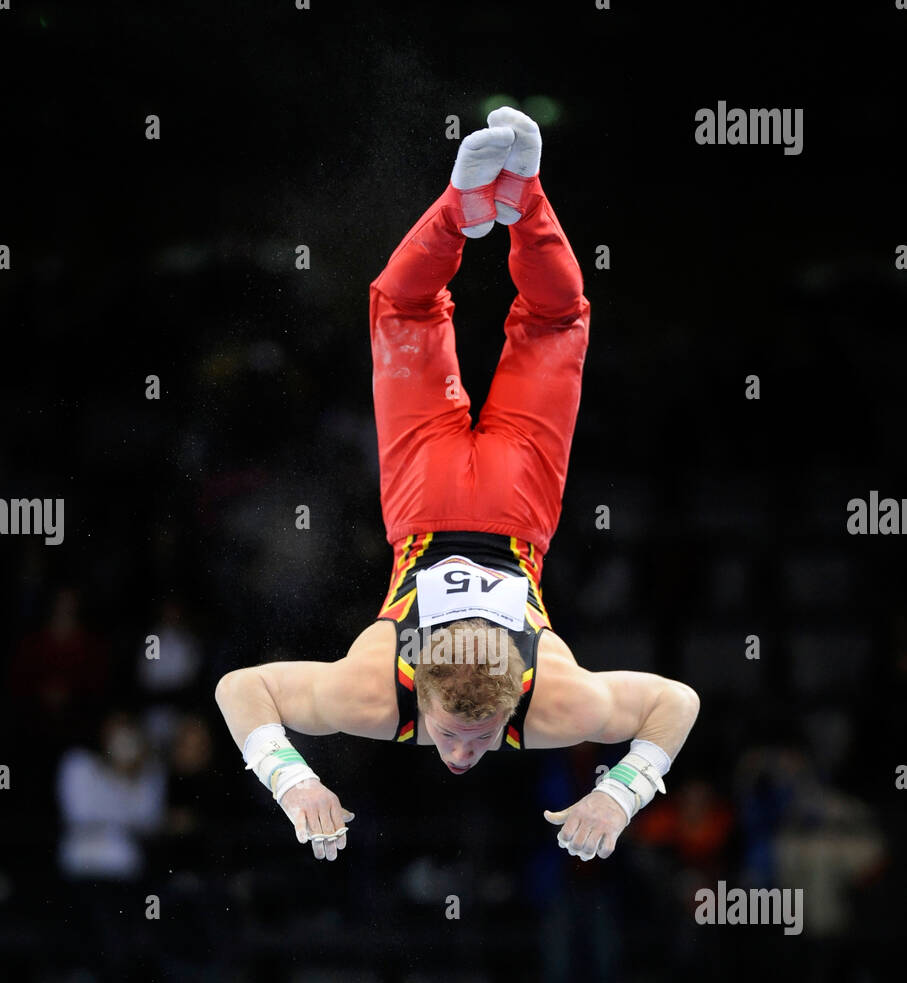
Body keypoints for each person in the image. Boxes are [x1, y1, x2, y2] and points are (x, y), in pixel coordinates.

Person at [215, 109, 699, 860]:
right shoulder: (394, 691)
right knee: (409, 316)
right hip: (428, 500)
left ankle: (515, 197)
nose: (466, 752)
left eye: (461, 736)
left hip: (514, 506)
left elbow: (674, 703)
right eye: (461, 735)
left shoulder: (493, 695)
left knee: (550, 324)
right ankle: (484, 199)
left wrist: (625, 788)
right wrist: (288, 776)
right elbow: (240, 689)